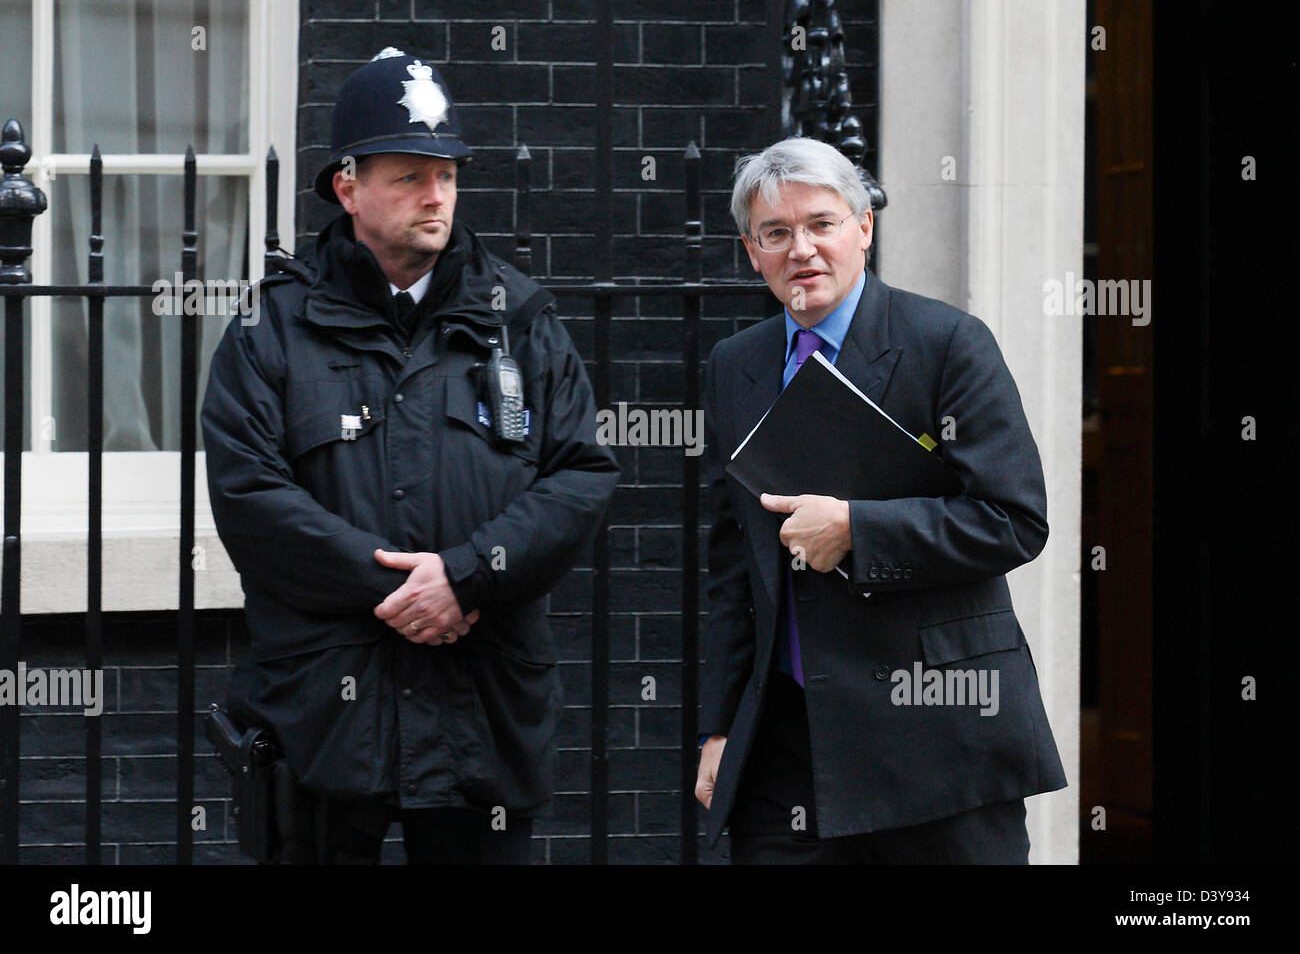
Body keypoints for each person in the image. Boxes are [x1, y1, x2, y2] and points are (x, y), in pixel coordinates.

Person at [202, 48, 618, 864]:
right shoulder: (272, 330)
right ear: (347, 187)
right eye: (409, 176)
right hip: (325, 714)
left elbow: (581, 476)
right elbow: (249, 495)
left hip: (483, 712)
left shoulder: (522, 319)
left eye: (448, 175)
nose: (437, 197)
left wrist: (466, 574)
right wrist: (406, 587)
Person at [694, 137, 1066, 863]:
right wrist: (720, 726)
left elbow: (1014, 519)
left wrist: (859, 529)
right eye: (777, 233)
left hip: (938, 741)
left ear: (864, 227)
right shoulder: (734, 366)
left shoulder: (948, 343)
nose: (801, 249)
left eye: (822, 223)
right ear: (752, 251)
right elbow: (731, 567)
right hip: (788, 747)